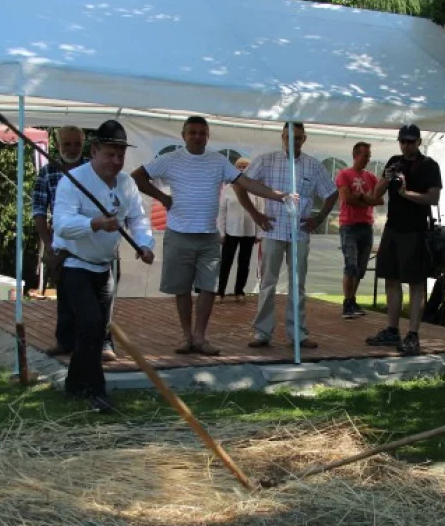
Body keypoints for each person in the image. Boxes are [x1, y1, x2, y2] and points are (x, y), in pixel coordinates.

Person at [132, 117, 289, 355]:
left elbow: (245, 182)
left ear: (208, 136)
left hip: (208, 237)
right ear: (184, 135)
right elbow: (137, 176)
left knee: (209, 288)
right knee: (182, 288)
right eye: (192, 132)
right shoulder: (171, 159)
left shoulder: (218, 161)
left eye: (202, 133)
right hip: (179, 234)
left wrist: (277, 195)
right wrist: (162, 197)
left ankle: (200, 337)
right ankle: (186, 337)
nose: (197, 136)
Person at [52, 120, 155, 413]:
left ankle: (74, 385)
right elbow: (61, 224)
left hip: (105, 267)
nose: (116, 161)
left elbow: (138, 219)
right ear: (94, 150)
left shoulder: (126, 183)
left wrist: (144, 244)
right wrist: (93, 223)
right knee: (91, 324)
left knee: (96, 329)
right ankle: (97, 391)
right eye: (110, 154)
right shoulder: (72, 181)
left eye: (120, 155)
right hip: (73, 264)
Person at [237, 122, 338, 349]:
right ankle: (262, 333)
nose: (293, 141)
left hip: (299, 233)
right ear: (282, 136)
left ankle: (299, 334)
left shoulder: (313, 165)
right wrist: (254, 213)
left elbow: (332, 193)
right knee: (267, 283)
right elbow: (240, 184)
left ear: (305, 139)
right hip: (273, 230)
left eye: (299, 137)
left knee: (298, 284)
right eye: (289, 137)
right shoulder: (267, 160)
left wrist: (319, 218)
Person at [33, 126, 119, 360]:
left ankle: (104, 342)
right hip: (63, 241)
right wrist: (48, 244)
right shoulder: (48, 172)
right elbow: (39, 210)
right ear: (57, 146)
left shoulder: (94, 170)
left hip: (97, 240)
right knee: (65, 292)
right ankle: (64, 340)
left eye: (75, 144)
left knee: (103, 296)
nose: (71, 149)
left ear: (83, 145)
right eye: (66, 144)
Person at [365, 124, 441, 355]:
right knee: (391, 279)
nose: (406, 145)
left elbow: (434, 198)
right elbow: (375, 195)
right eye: (403, 141)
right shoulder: (393, 161)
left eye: (410, 141)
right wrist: (386, 179)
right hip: (392, 228)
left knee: (416, 283)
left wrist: (406, 193)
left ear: (418, 142)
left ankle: (413, 334)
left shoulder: (429, 165)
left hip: (416, 230)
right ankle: (392, 329)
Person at [335, 142, 383, 319]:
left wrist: (362, 197)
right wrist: (366, 199)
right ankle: (347, 303)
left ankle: (352, 300)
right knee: (351, 265)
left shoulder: (371, 177)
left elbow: (379, 200)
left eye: (369, 156)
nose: (368, 159)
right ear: (356, 155)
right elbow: (347, 198)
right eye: (365, 156)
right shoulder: (344, 174)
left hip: (366, 226)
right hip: (349, 225)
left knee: (361, 268)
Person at [216, 157, 261, 303]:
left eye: (245, 166)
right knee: (226, 262)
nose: (242, 168)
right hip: (230, 231)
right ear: (235, 169)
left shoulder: (256, 188)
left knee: (244, 262)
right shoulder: (227, 189)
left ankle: (239, 291)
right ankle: (220, 292)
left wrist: (259, 232)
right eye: (239, 166)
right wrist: (221, 233)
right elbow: (221, 212)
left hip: (249, 232)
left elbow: (260, 210)